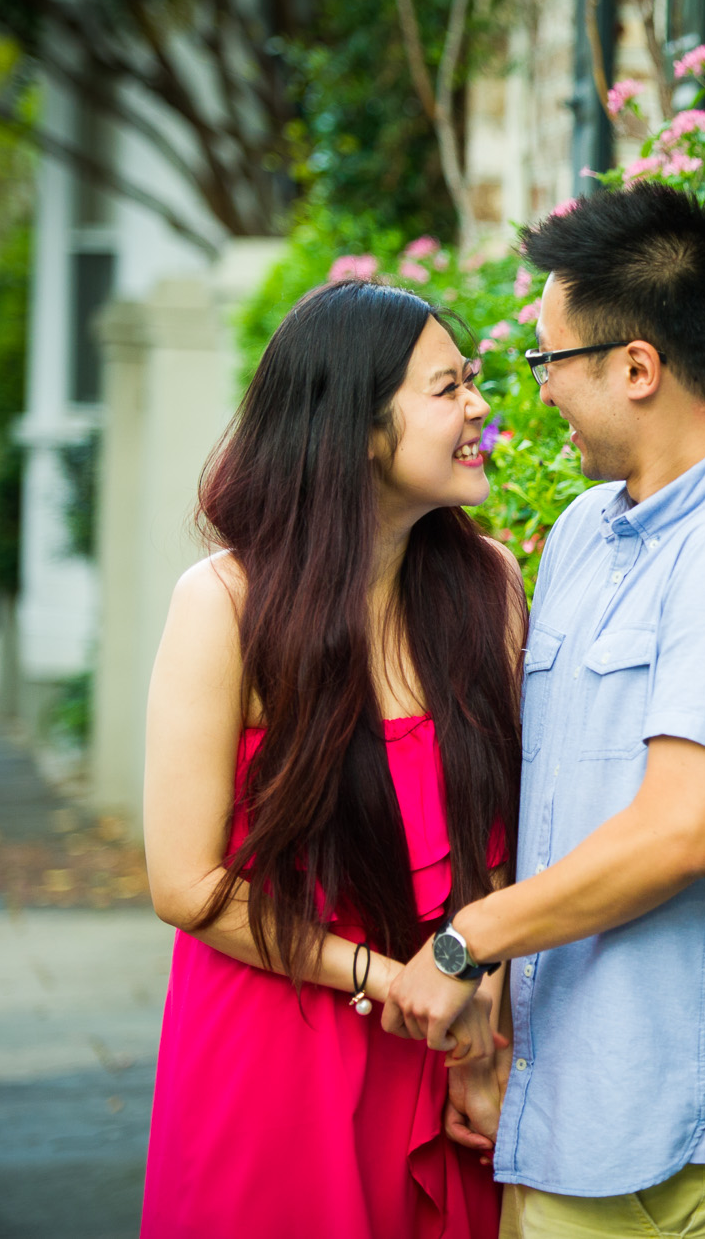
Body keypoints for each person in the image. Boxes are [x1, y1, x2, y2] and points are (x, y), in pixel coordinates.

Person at [384, 182, 705, 1239]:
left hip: (678, 1149)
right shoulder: (591, 531)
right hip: (565, 1122)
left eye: (547, 362)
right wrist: (498, 1023)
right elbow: (562, 804)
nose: (533, 392)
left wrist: (464, 944)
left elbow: (679, 831)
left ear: (637, 367)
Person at [141, 280, 523, 1239]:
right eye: (448, 388)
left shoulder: (492, 587)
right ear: (357, 428)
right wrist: (393, 977)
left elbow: (513, 841)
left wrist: (480, 1019)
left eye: (471, 381)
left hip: (444, 1035)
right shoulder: (225, 603)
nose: (479, 407)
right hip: (278, 1039)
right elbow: (184, 884)